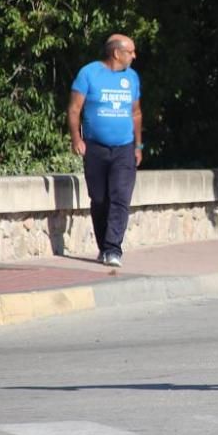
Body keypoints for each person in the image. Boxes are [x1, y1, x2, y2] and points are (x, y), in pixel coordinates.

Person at [67, 34, 143, 269]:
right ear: (116, 53)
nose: (134, 56)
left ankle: (113, 249)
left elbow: (136, 113)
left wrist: (138, 145)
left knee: (120, 197)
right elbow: (74, 109)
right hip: (95, 148)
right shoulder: (89, 73)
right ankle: (104, 247)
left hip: (124, 148)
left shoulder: (131, 77)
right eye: (130, 51)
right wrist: (76, 139)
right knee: (99, 199)